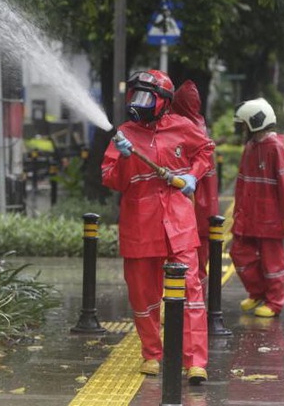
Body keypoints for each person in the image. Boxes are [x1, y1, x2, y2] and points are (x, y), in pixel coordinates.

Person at [101, 69, 212, 385]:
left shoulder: (182, 127)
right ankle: (152, 353)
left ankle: (195, 361)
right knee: (142, 293)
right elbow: (112, 180)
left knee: (191, 291)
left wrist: (193, 175)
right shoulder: (124, 134)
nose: (140, 103)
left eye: (147, 97)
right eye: (135, 96)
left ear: (164, 102)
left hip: (178, 222)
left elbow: (206, 150)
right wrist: (122, 159)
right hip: (140, 224)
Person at [231, 98, 284, 318]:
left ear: (254, 122)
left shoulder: (275, 148)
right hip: (249, 215)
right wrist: (237, 212)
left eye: (244, 124)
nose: (242, 129)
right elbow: (241, 181)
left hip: (270, 217)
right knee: (239, 252)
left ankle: (274, 301)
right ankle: (258, 292)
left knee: (273, 261)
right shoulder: (250, 147)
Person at [170, 80, 219, 297]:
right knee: (197, 263)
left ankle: (185, 308)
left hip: (193, 209)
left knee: (190, 264)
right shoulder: (199, 125)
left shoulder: (185, 129)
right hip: (204, 208)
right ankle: (189, 306)